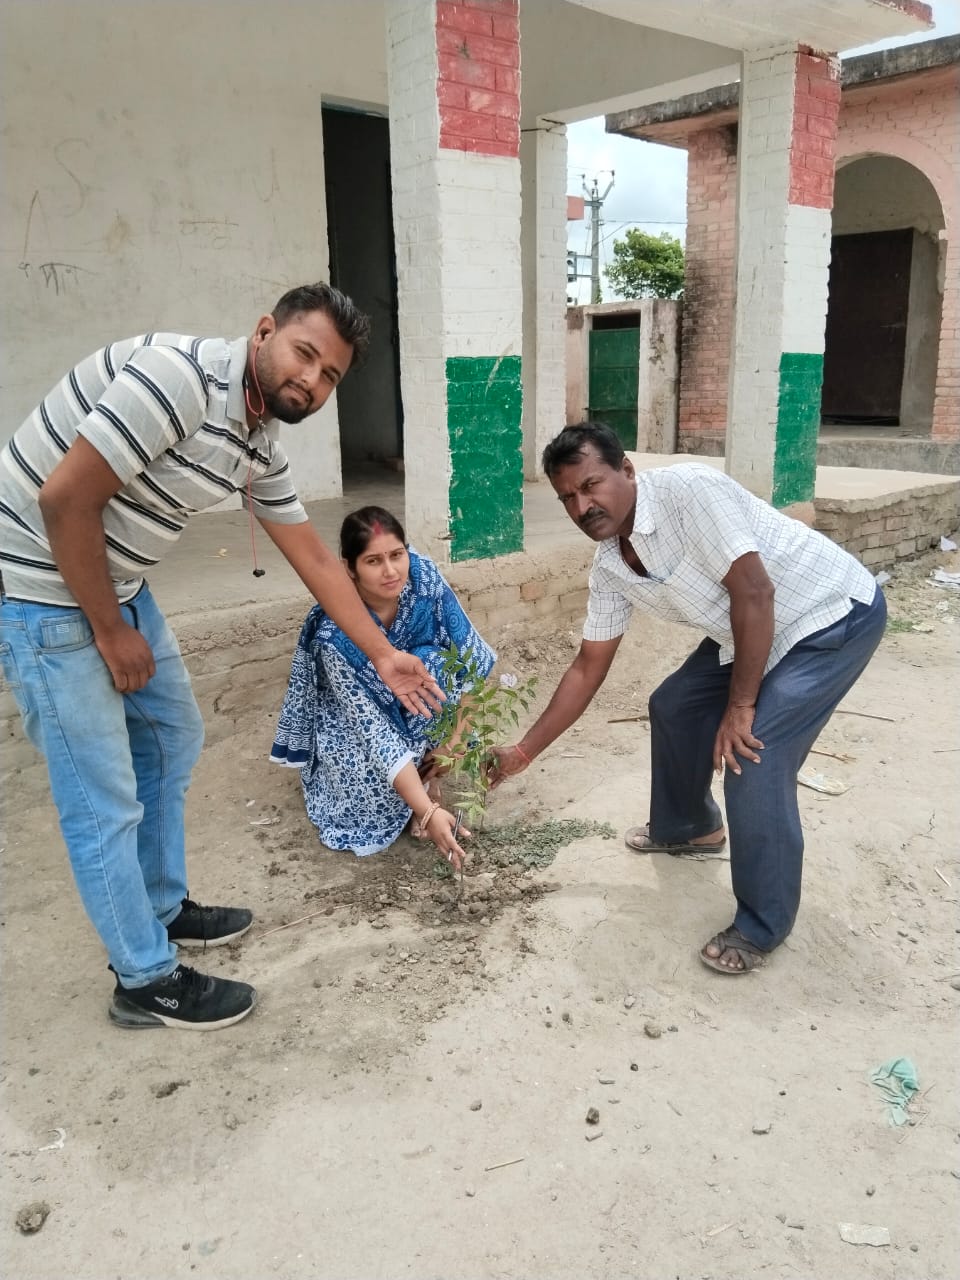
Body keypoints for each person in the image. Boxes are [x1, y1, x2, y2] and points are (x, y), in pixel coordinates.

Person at [0, 283, 444, 1030]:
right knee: (100, 795)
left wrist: (382, 656)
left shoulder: (257, 441)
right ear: (265, 331)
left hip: (115, 580)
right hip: (42, 584)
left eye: (330, 374)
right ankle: (143, 980)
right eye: (305, 354)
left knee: (175, 736)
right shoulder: (176, 382)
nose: (311, 379)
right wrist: (111, 631)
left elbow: (313, 557)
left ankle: (163, 907)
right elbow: (62, 501)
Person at [488, 421, 886, 975]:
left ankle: (762, 923)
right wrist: (523, 753)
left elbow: (755, 590)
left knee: (751, 752)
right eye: (567, 498)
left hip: (828, 615)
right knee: (674, 705)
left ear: (626, 469)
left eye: (592, 484)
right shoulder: (610, 566)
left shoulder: (689, 491)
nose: (583, 506)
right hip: (746, 630)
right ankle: (689, 827)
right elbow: (587, 667)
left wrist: (740, 708)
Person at [271, 505, 494, 867]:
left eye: (397, 555)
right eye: (373, 561)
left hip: (414, 706)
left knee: (437, 669)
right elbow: (376, 734)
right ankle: (419, 793)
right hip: (357, 724)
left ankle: (427, 772)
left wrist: (454, 744)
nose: (391, 571)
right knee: (367, 801)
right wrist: (424, 812)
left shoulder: (423, 579)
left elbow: (473, 657)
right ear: (349, 569)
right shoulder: (335, 636)